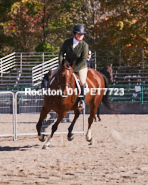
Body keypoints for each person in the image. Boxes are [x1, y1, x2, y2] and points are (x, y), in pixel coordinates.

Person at [51, 23, 88, 109]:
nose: (81, 35)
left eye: (82, 34)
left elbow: (83, 60)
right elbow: (61, 53)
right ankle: (49, 95)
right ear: (75, 33)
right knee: (52, 75)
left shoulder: (84, 45)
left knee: (83, 82)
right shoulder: (67, 42)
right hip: (66, 66)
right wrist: (61, 64)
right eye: (79, 34)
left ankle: (82, 100)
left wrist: (74, 69)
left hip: (80, 66)